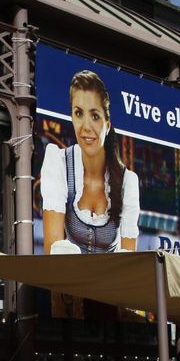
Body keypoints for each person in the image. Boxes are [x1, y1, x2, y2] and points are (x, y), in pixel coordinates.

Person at [41, 70, 140, 255]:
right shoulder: (59, 163)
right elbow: (52, 252)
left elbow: (129, 260)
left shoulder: (127, 182)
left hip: (112, 274)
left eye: (95, 116)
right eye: (78, 113)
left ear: (107, 125)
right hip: (67, 272)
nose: (86, 126)